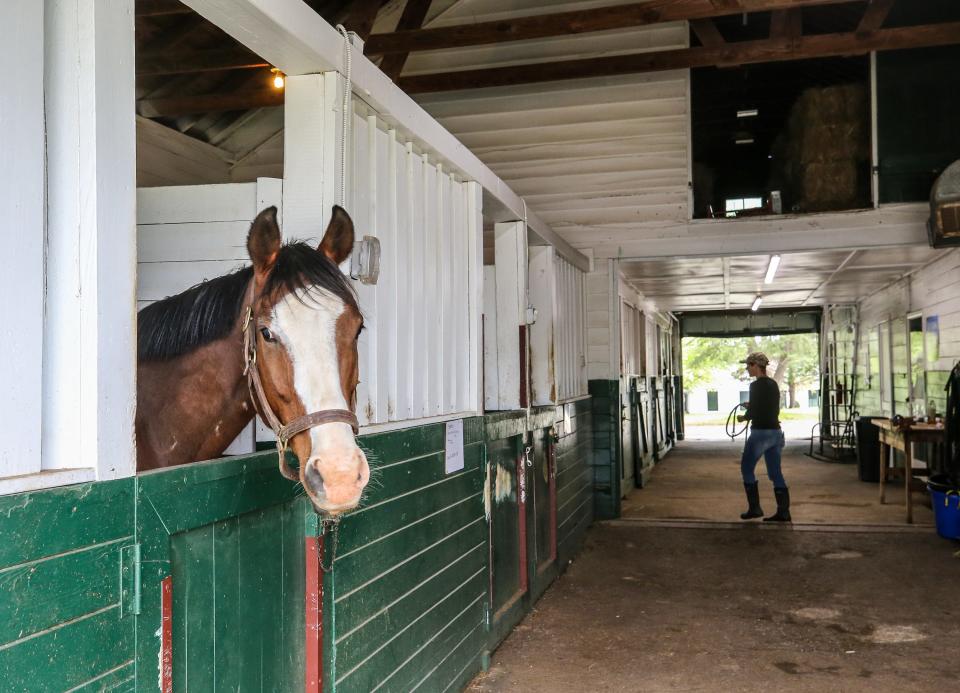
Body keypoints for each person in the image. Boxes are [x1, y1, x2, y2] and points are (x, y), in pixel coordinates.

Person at [737, 352, 790, 522]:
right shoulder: (773, 384)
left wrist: (744, 416)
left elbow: (754, 412)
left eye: (748, 365)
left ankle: (755, 508)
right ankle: (783, 512)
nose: (747, 368)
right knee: (775, 473)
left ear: (755, 365)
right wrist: (752, 405)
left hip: (761, 433)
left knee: (746, 468)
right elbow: (767, 407)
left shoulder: (755, 386)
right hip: (776, 432)